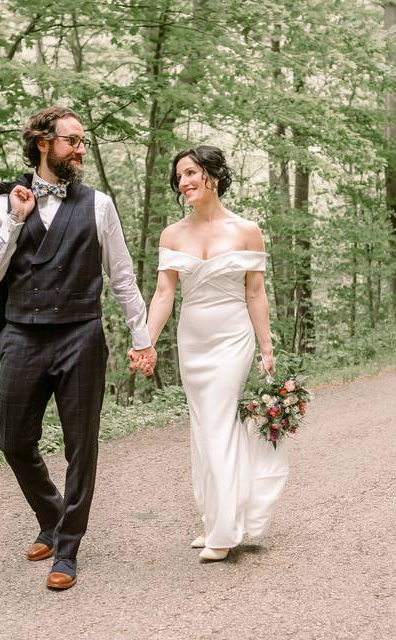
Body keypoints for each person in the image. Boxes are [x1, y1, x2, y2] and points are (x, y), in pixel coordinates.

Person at [0, 106, 156, 590]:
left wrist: (142, 338)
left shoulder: (99, 205)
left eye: (82, 142)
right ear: (43, 143)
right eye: (72, 141)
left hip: (81, 336)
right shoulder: (1, 203)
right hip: (22, 336)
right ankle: (51, 516)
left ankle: (67, 548)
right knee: (13, 440)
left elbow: (122, 275)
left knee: (81, 446)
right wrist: (15, 219)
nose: (80, 149)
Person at [142, 145, 289, 561]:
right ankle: (214, 517)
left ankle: (224, 532)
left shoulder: (246, 231)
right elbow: (164, 293)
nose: (183, 182)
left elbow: (255, 292)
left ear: (213, 175)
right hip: (193, 339)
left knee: (220, 423)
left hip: (232, 337)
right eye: (179, 177)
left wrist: (266, 346)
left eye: (191, 173)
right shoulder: (172, 235)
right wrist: (146, 340)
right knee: (203, 427)